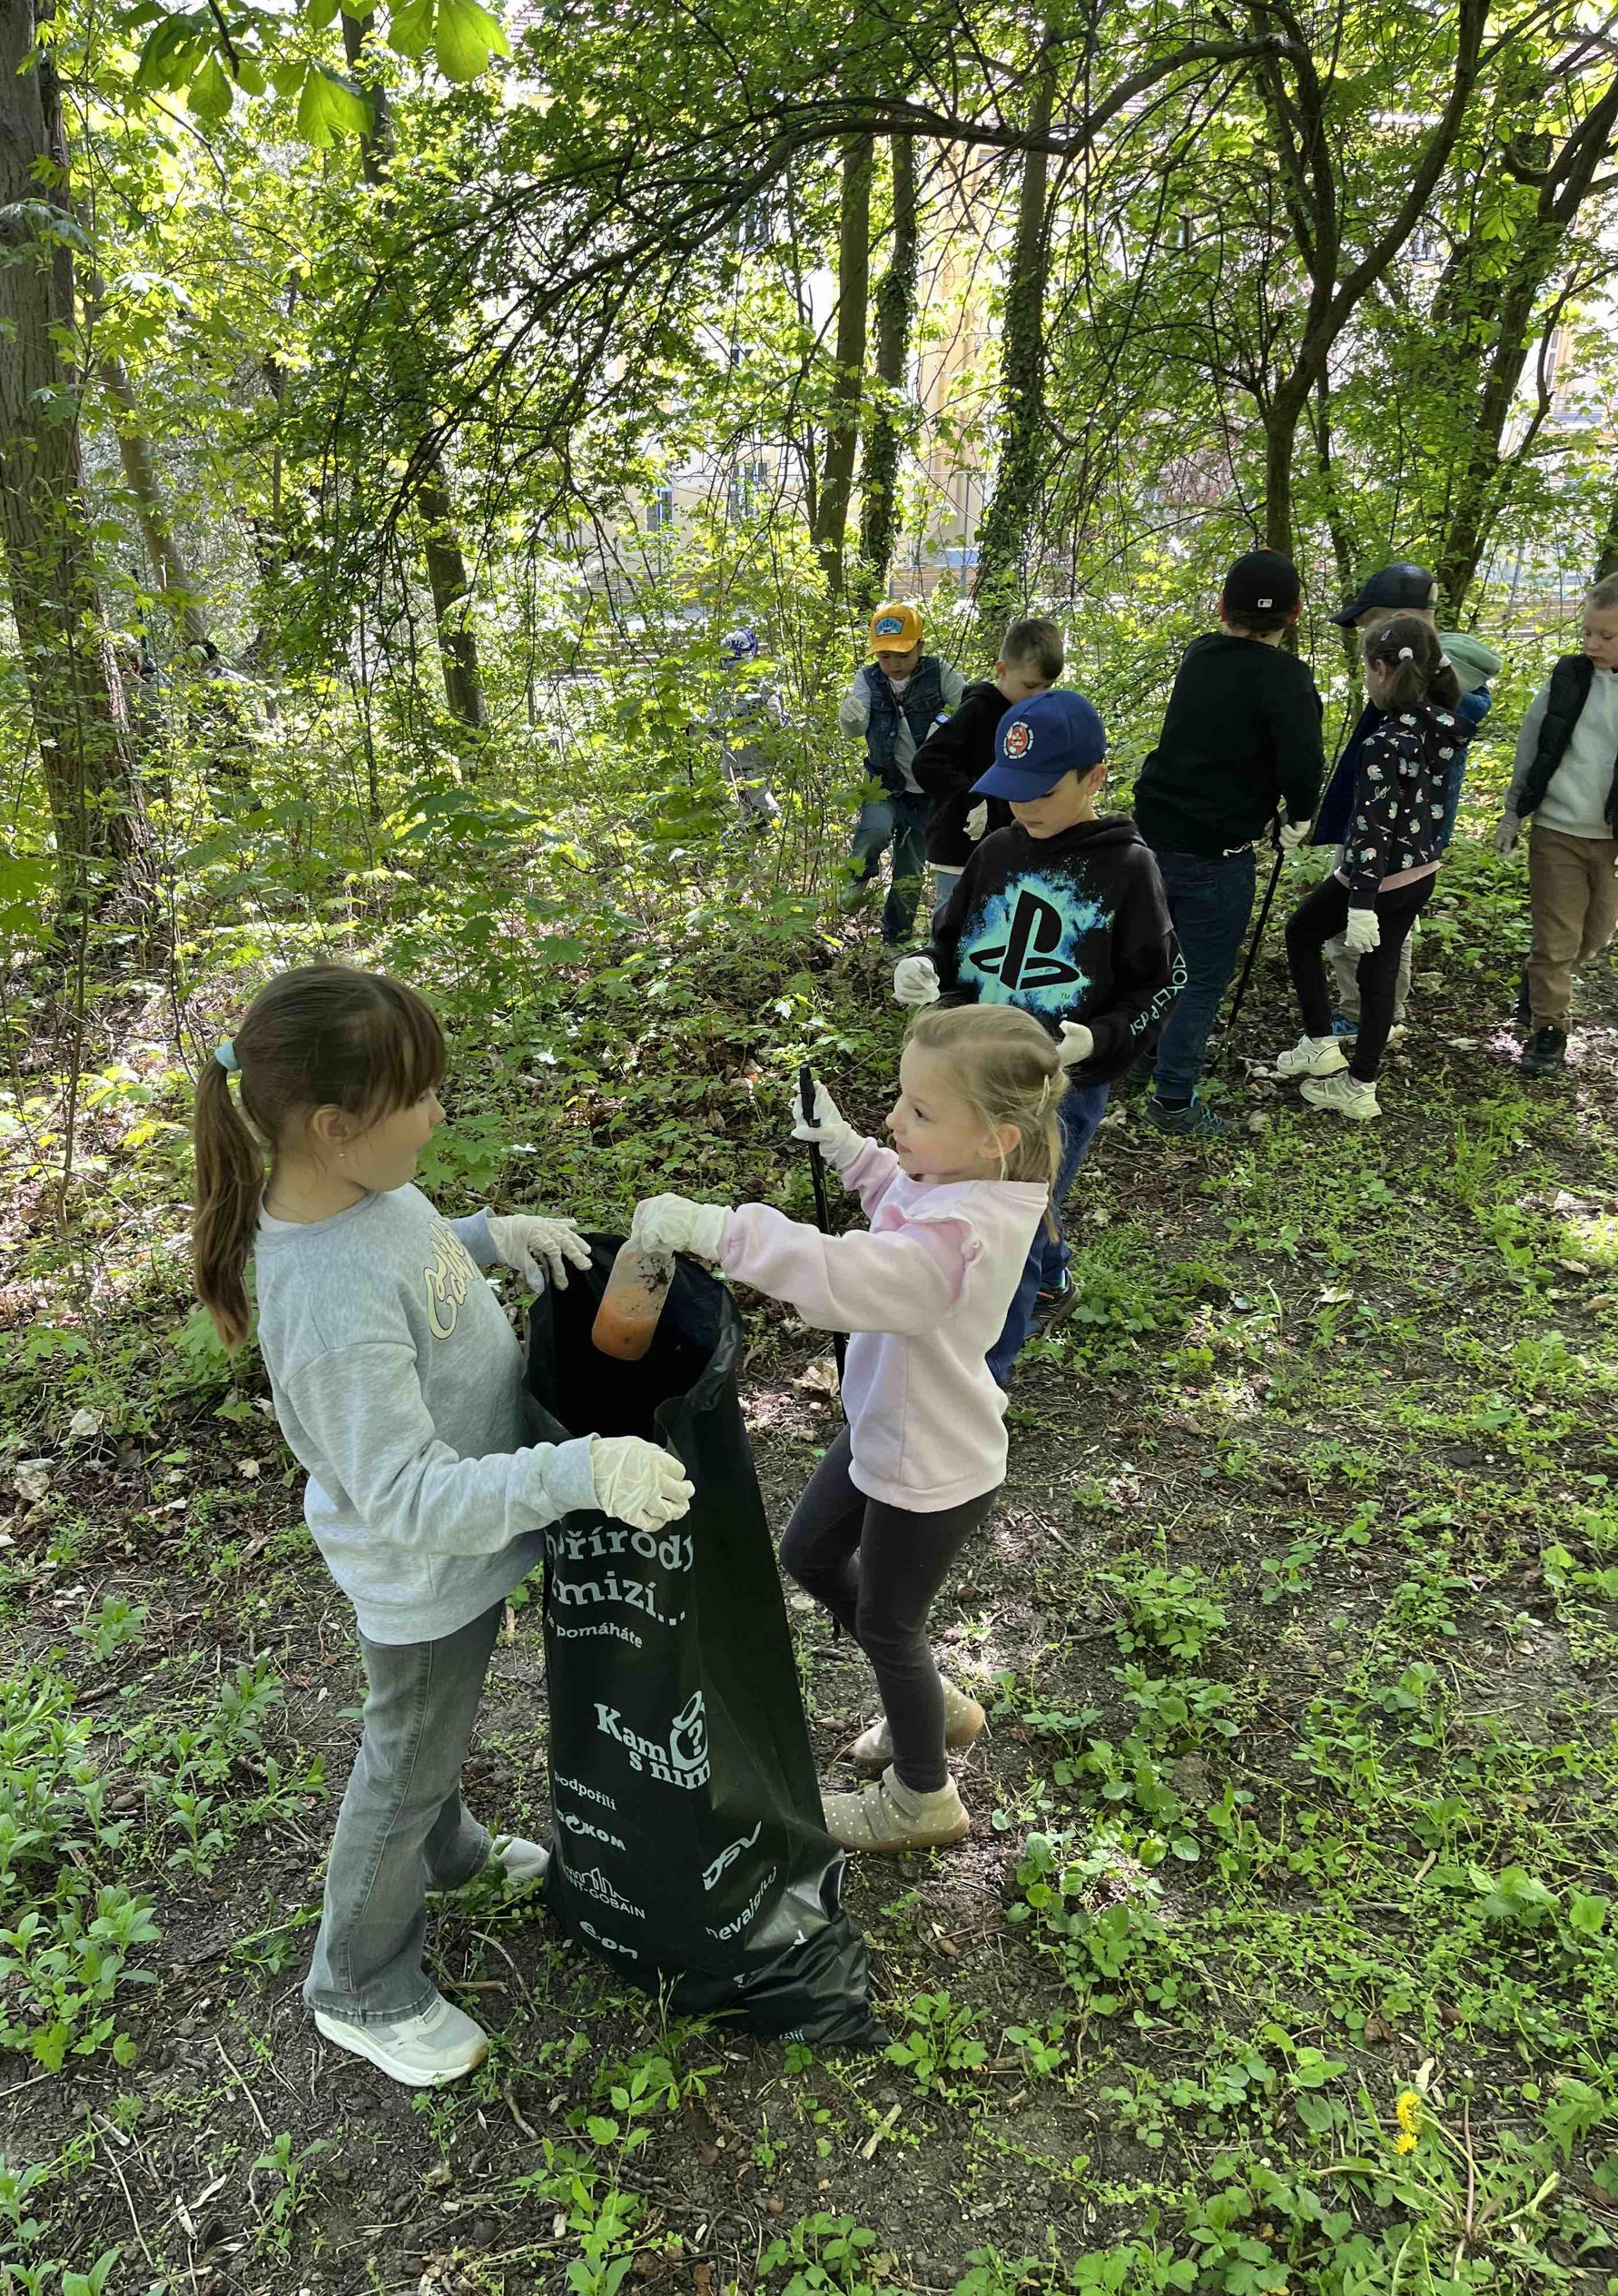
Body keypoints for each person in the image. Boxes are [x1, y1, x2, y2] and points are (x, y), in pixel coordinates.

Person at [191, 965, 692, 2087]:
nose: (438, 1112)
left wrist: (487, 1238)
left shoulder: (365, 1191)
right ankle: (357, 1983)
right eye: (418, 1097)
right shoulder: (325, 1307)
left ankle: (451, 1852)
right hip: (425, 1570)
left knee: (437, 1734)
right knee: (407, 1758)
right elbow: (409, 1494)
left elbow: (408, 1258)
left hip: (463, 1549)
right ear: (335, 1124)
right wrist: (577, 1470)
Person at [626, 1006, 1064, 1852]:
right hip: (888, 1430)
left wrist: (721, 1230)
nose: (896, 1119)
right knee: (810, 1555)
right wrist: (846, 1148)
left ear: (996, 1138)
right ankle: (935, 1706)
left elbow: (850, 1271)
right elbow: (901, 1195)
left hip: (927, 1463)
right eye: (900, 1099)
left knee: (891, 1627)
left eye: (920, 1111)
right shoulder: (961, 1182)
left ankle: (922, 1797)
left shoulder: (960, 1240)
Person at [892, 690, 1182, 1376]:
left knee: (1008, 1229)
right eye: (1012, 789)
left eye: (1044, 791)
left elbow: (1162, 983)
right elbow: (952, 942)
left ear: (1095, 777)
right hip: (970, 1074)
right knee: (1007, 1205)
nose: (1025, 806)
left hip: (1057, 1088)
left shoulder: (1127, 868)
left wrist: (1097, 1040)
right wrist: (924, 966)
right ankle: (1053, 1271)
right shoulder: (995, 851)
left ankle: (981, 1378)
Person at [1130, 549, 1324, 1135]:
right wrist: (1300, 814)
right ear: (1294, 615)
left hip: (1152, 838)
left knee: (1155, 958)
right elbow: (1302, 764)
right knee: (1199, 975)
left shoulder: (1199, 655)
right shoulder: (1288, 678)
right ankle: (1173, 1100)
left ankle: (1140, 1058)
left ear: (1221, 608)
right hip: (1216, 853)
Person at [1276, 616, 1465, 1121]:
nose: (1366, 680)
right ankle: (1360, 1084)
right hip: (1421, 871)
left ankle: (1321, 1043)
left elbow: (1373, 827)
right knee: (1380, 972)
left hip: (1378, 877)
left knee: (1301, 932)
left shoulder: (1385, 742)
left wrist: (1360, 903)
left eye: (1366, 670)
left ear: (1382, 669)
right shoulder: (1443, 726)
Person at [1326, 626, 1502, 1043]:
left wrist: (1363, 885)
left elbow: (1380, 814)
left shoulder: (1406, 729)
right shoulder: (1447, 723)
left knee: (1351, 931)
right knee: (1390, 935)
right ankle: (1379, 1017)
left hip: (1384, 849)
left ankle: (1362, 1017)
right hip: (1417, 851)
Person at [1495, 574, 1618, 1077]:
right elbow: (1533, 743)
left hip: (1610, 838)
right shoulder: (1567, 678)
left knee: (1596, 935)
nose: (1592, 644)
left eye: (1607, 636)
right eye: (1587, 632)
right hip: (1557, 828)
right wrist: (1513, 810)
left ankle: (1539, 980)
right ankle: (1549, 1029)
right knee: (1557, 938)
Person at [913, 615, 1065, 913]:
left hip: (1006, 842)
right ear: (1002, 670)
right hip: (960, 844)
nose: (1038, 695)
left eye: (1047, 687)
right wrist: (972, 796)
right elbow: (927, 763)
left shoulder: (1033, 715)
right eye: (1030, 685)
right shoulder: (977, 710)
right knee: (954, 921)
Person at [838, 601, 966, 944]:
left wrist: (947, 725)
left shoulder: (939, 672)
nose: (893, 664)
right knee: (874, 831)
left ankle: (895, 938)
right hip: (883, 782)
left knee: (910, 871)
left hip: (926, 793)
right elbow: (857, 723)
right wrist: (851, 720)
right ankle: (857, 878)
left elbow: (969, 705)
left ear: (920, 647)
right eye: (885, 657)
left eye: (902, 655)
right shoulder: (867, 678)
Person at [716, 626, 784, 826]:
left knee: (760, 796)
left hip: (755, 753)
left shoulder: (764, 685)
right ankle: (751, 831)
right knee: (742, 798)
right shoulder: (727, 688)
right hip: (732, 754)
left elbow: (776, 721)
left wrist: (770, 746)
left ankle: (776, 831)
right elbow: (716, 720)